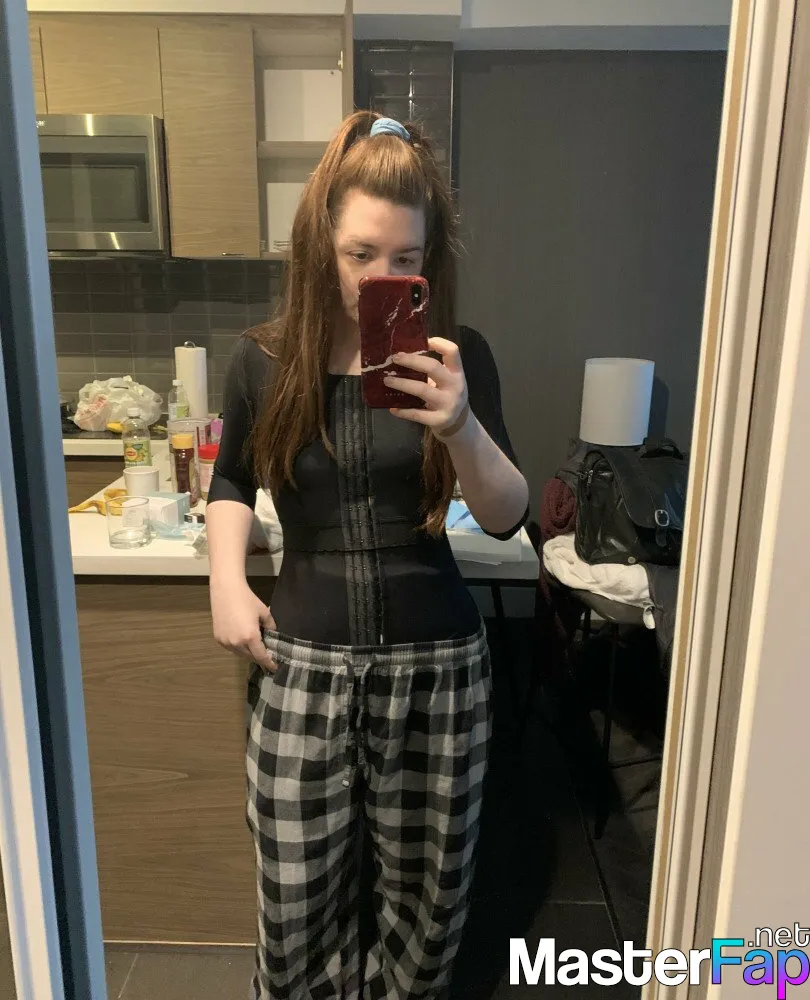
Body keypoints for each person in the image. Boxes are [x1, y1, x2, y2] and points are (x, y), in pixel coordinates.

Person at [206, 110, 529, 1000]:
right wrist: (226, 579)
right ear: (322, 242)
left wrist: (460, 424)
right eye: (360, 253)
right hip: (300, 667)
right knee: (295, 907)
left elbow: (507, 517)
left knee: (426, 913)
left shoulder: (458, 358)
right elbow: (231, 479)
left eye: (404, 258)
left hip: (438, 671)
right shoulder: (263, 359)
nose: (381, 277)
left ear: (429, 258)